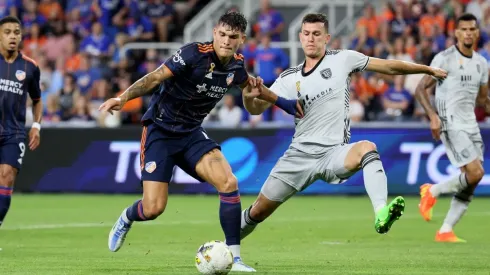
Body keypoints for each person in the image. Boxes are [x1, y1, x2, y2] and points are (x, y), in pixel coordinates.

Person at [99, 11, 300, 272]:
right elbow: (156, 77)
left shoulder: (237, 65)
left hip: (192, 133)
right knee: (153, 208)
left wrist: (286, 104)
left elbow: (254, 90)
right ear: (215, 32)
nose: (227, 41)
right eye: (223, 35)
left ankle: (235, 258)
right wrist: (123, 98)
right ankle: (127, 216)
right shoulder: (194, 53)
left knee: (229, 182)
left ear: (242, 39)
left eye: (233, 37)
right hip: (160, 131)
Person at [236, 13, 447, 241]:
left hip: (333, 153)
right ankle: (226, 245)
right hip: (298, 156)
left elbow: (389, 67)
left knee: (368, 148)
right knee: (258, 211)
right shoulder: (289, 78)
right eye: (306, 34)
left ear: (326, 38)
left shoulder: (343, 59)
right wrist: (248, 97)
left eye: (316, 34)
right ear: (300, 37)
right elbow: (255, 108)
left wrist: (425, 69)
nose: (311, 39)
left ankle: (381, 213)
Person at [415, 13, 489, 243]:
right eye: (463, 29)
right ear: (456, 33)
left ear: (477, 33)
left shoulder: (481, 63)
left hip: (471, 124)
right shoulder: (444, 59)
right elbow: (420, 89)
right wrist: (433, 116)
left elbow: (483, 100)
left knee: (473, 178)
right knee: (475, 173)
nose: (468, 33)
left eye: (472, 29)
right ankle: (433, 192)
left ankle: (445, 229)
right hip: (450, 122)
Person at [0, 16, 42, 228]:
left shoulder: (30, 67)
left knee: (6, 177)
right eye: (7, 32)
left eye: (16, 32)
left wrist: (36, 125)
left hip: (13, 133)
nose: (12, 36)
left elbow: (37, 100)